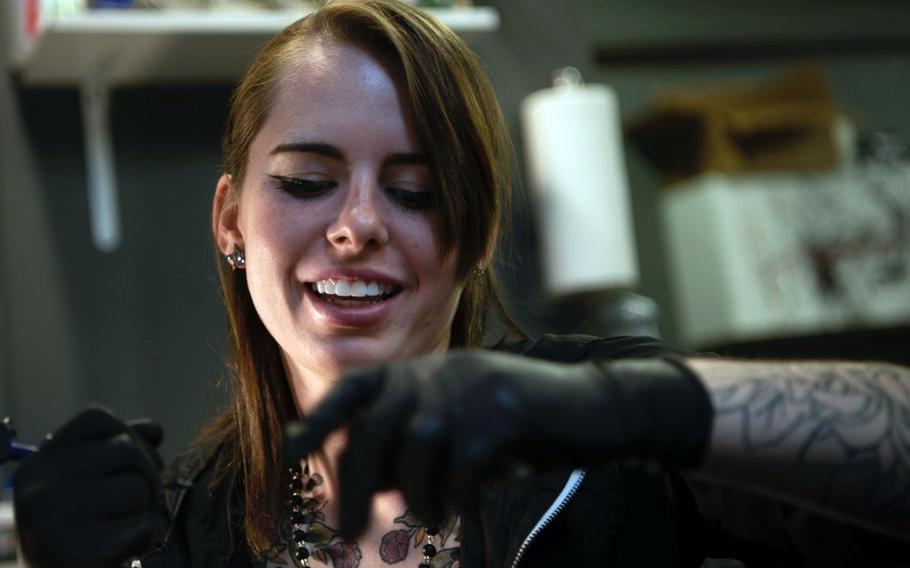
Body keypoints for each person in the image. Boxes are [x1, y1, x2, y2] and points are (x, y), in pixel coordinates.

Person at [11, 1, 910, 567]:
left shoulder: (599, 444)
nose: (356, 224)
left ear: (475, 233)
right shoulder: (181, 521)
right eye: (305, 181)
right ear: (230, 220)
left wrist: (651, 409)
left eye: (415, 191)